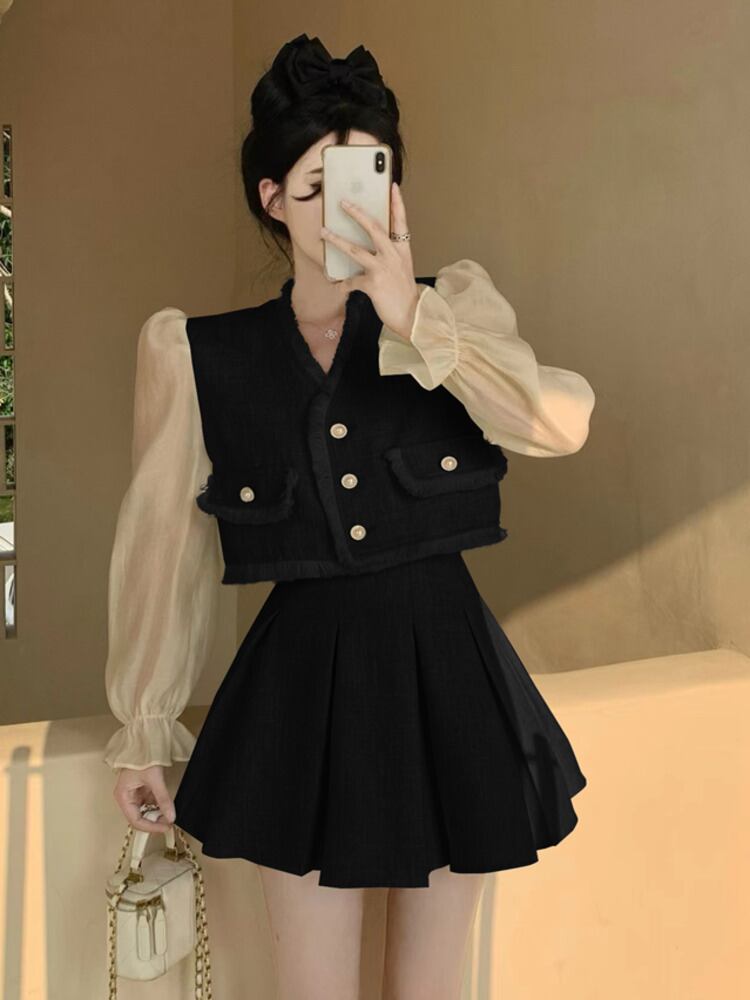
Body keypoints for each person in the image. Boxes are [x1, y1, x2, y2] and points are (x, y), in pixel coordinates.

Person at [102, 32, 596, 1000]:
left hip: (451, 675)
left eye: (369, 182)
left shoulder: (453, 311)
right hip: (301, 687)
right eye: (317, 187)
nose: (346, 210)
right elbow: (164, 547)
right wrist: (145, 725)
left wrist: (412, 315)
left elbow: (556, 423)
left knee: (431, 989)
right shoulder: (197, 353)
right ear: (272, 199)